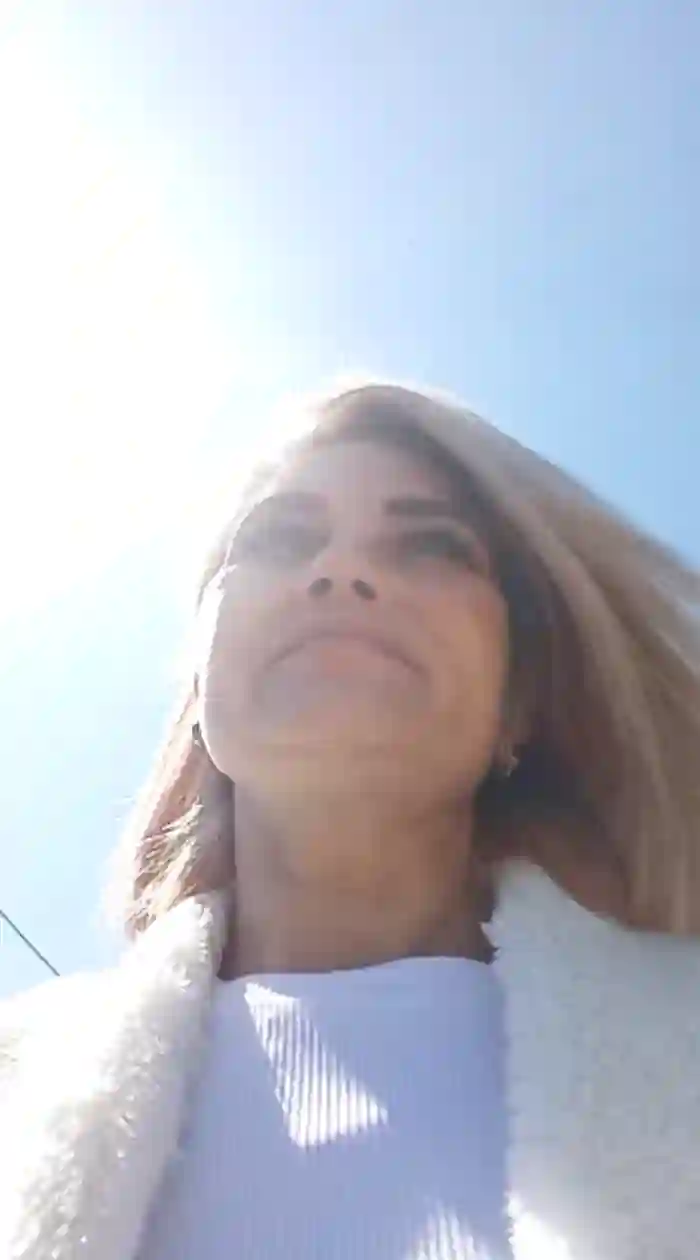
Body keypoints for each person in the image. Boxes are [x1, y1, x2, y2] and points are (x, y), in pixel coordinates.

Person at [2, 381, 700, 1260]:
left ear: (519, 702)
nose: (339, 571)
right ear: (203, 686)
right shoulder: (19, 1072)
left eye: (432, 546)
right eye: (280, 537)